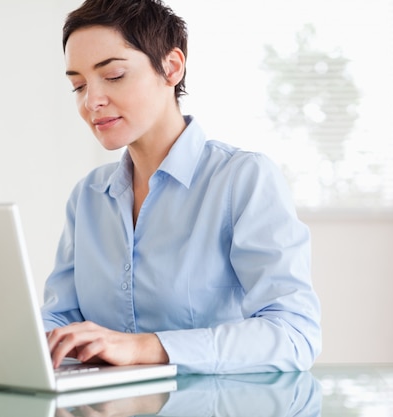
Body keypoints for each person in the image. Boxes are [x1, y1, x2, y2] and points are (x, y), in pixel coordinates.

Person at [41, 0, 321, 374]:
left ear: (171, 67)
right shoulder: (88, 197)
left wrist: (148, 348)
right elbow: (60, 319)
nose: (92, 101)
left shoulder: (242, 179)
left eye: (113, 76)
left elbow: (294, 335)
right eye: (78, 85)